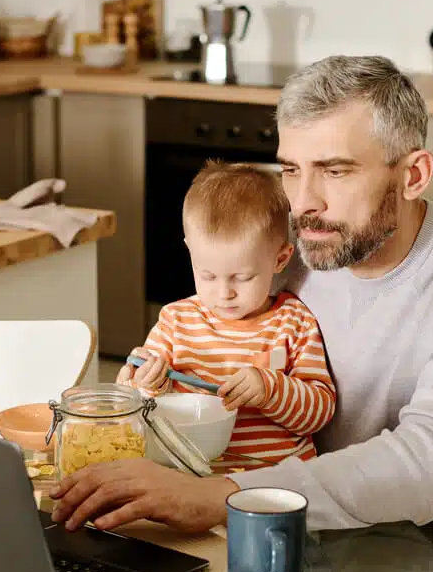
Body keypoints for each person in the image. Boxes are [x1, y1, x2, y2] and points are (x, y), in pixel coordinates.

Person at [51, 55, 433, 572]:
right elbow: (208, 348)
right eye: (291, 169)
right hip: (302, 523)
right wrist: (153, 385)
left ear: (413, 174)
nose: (304, 201)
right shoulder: (300, 252)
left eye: (335, 171)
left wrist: (223, 495)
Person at [118, 161, 336, 463]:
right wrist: (144, 384)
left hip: (276, 477)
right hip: (191, 472)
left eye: (242, 278)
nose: (224, 293)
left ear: (280, 259)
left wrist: (271, 390)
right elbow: (133, 406)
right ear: (190, 252)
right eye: (207, 275)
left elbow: (319, 413)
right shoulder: (175, 322)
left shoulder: (294, 322)